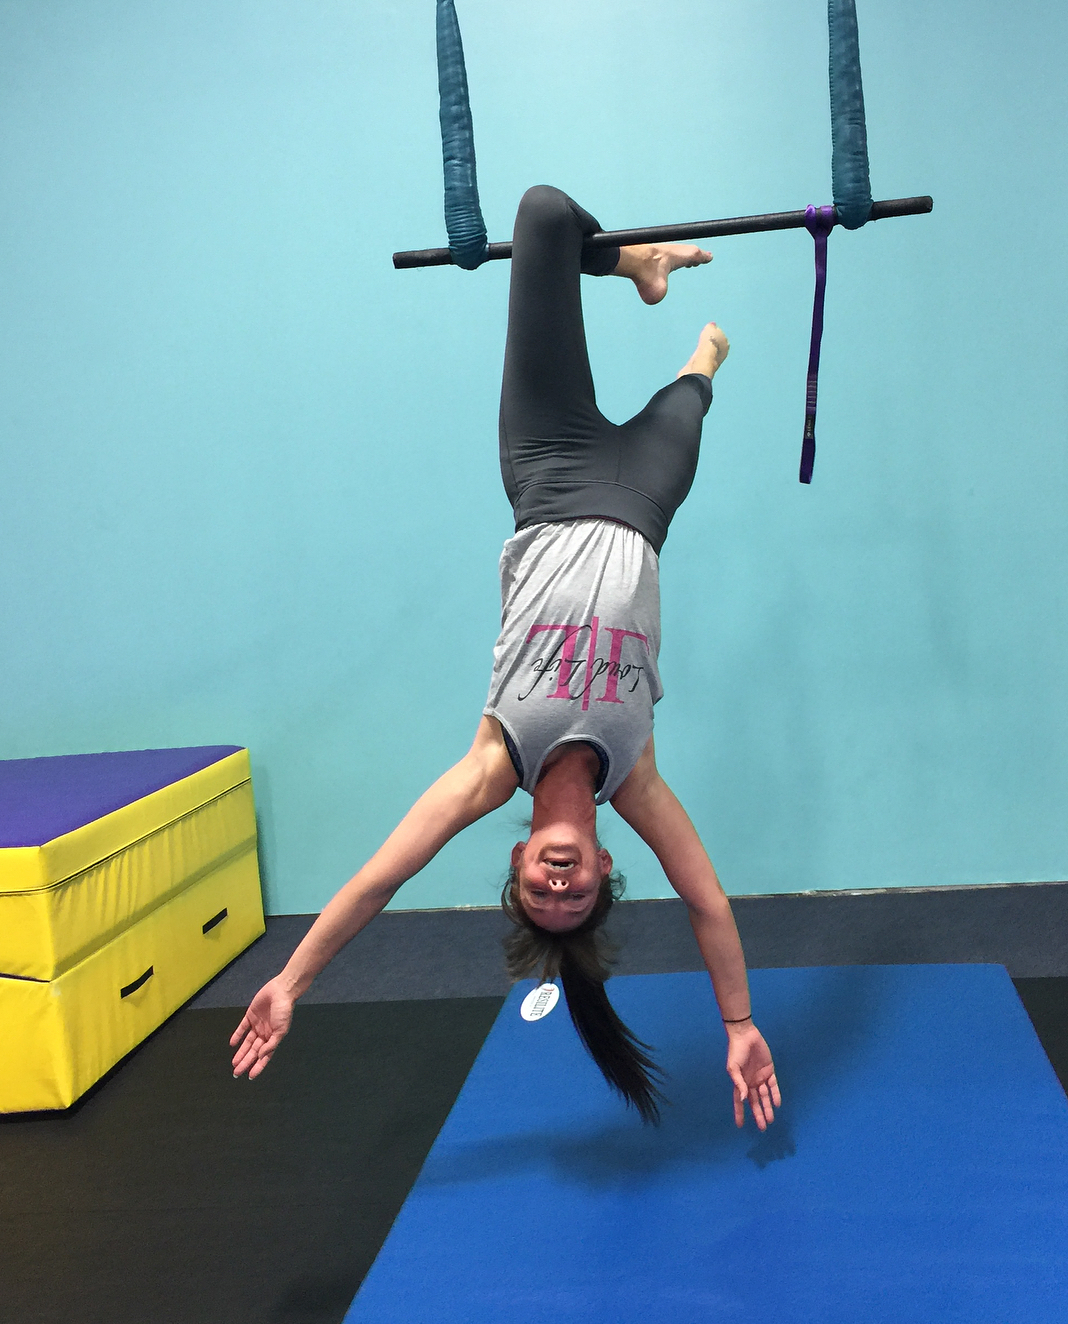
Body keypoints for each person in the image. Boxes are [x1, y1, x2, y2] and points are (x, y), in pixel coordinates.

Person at [231, 186, 781, 1131]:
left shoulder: (492, 767)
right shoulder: (636, 779)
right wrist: (737, 1023)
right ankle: (702, 350)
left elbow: (378, 879)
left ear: (522, 857)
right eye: (576, 893)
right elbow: (708, 904)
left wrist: (291, 979)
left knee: (544, 214)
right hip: (645, 499)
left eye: (538, 890)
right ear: (604, 864)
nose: (558, 885)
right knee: (693, 387)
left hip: (548, 470)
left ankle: (637, 262)